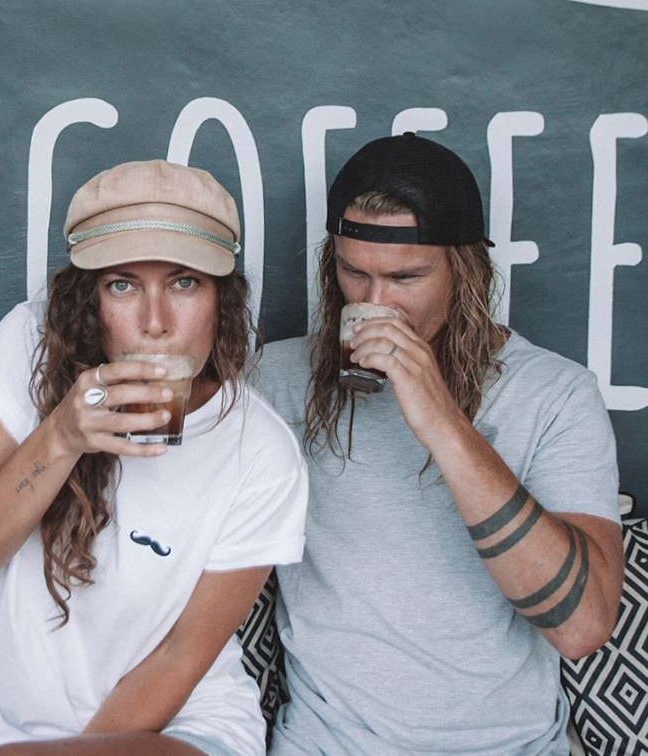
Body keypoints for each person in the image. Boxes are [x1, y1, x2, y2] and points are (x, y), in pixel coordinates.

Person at [256, 132, 624, 755]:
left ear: (465, 271)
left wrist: (441, 419)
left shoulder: (555, 394)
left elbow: (583, 626)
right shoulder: (277, 381)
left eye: (406, 277)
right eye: (354, 272)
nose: (376, 303)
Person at [0, 160, 307, 756]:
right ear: (89, 301)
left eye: (184, 282)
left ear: (223, 299)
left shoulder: (261, 451)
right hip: (12, 734)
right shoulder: (29, 349)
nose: (155, 324)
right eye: (123, 284)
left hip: (179, 728)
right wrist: (61, 435)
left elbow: (179, 657)